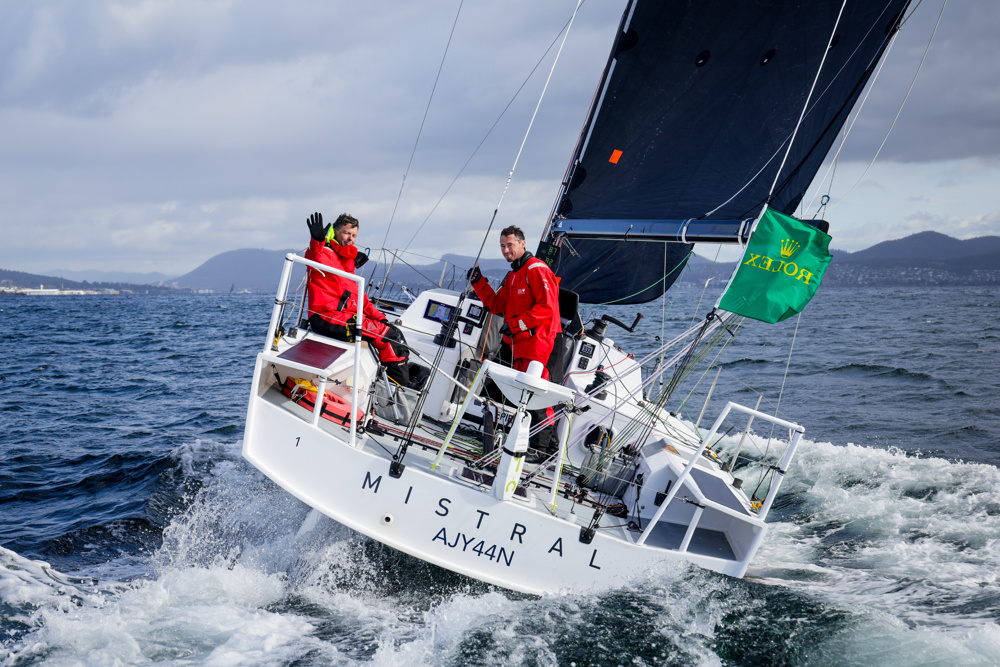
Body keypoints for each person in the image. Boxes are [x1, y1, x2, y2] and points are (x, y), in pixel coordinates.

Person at [467, 225, 561, 461]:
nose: (506, 250)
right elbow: (497, 305)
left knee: (535, 392)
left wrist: (517, 324)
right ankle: (547, 447)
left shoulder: (537, 269)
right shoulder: (513, 276)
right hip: (522, 345)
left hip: (539, 341)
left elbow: (547, 308)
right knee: (527, 394)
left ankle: (540, 449)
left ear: (522, 244)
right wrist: (479, 282)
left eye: (510, 245)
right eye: (502, 246)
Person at [305, 212, 409, 386]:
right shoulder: (326, 253)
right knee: (389, 339)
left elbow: (361, 300)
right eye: (347, 233)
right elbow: (313, 258)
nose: (350, 239)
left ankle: (393, 385)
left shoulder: (347, 264)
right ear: (336, 232)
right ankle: (400, 391)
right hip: (326, 317)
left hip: (345, 316)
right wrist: (317, 240)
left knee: (395, 334)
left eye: (354, 236)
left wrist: (382, 319)